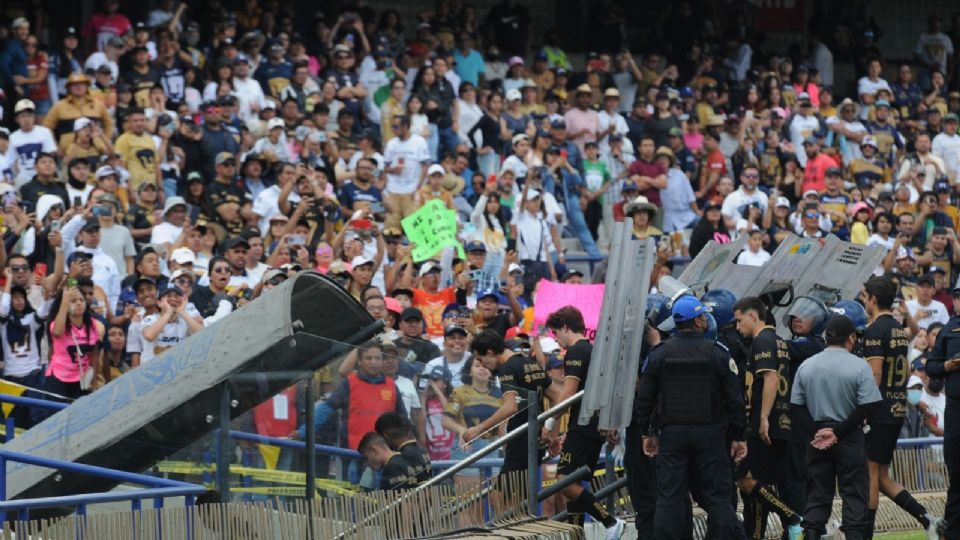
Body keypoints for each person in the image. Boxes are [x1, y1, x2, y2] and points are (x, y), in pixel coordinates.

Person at [633, 295, 748, 539]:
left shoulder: (659, 354)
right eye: (703, 316)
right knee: (717, 497)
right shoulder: (718, 353)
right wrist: (738, 436)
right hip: (710, 434)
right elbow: (735, 399)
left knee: (669, 496)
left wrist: (647, 433)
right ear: (698, 321)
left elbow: (645, 398)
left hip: (672, 434)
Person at [790, 315, 885, 540]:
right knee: (853, 492)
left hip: (816, 437)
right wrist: (838, 432)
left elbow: (795, 408)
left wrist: (818, 432)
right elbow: (869, 406)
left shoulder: (806, 365)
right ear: (851, 338)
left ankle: (811, 534)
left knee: (817, 492)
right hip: (849, 435)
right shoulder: (860, 366)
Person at [860, 276, 940, 538]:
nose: (863, 301)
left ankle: (866, 535)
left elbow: (875, 376)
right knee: (882, 477)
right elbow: (904, 371)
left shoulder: (874, 330)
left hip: (879, 411)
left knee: (871, 474)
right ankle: (928, 519)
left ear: (873, 299)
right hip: (896, 408)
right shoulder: (897, 328)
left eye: (864, 297)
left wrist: (863, 411)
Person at [543, 306, 625, 536]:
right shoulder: (593, 351)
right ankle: (577, 534)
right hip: (592, 424)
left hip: (585, 424)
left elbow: (568, 392)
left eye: (555, 333)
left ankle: (610, 521)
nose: (556, 340)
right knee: (575, 485)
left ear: (565, 328)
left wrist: (549, 423)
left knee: (564, 481)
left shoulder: (577, 351)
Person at [732, 296, 806, 539]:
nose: (737, 326)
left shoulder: (762, 341)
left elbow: (771, 378)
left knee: (744, 480)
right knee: (759, 486)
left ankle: (793, 518)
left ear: (753, 316)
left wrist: (762, 417)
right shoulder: (780, 341)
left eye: (739, 320)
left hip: (765, 421)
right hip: (783, 421)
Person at [463, 330, 556, 479]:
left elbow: (510, 406)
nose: (483, 365)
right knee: (518, 495)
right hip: (535, 440)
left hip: (521, 441)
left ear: (490, 352)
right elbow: (557, 396)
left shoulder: (507, 368)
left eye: (481, 359)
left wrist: (479, 429)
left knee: (501, 498)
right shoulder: (531, 363)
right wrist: (549, 428)